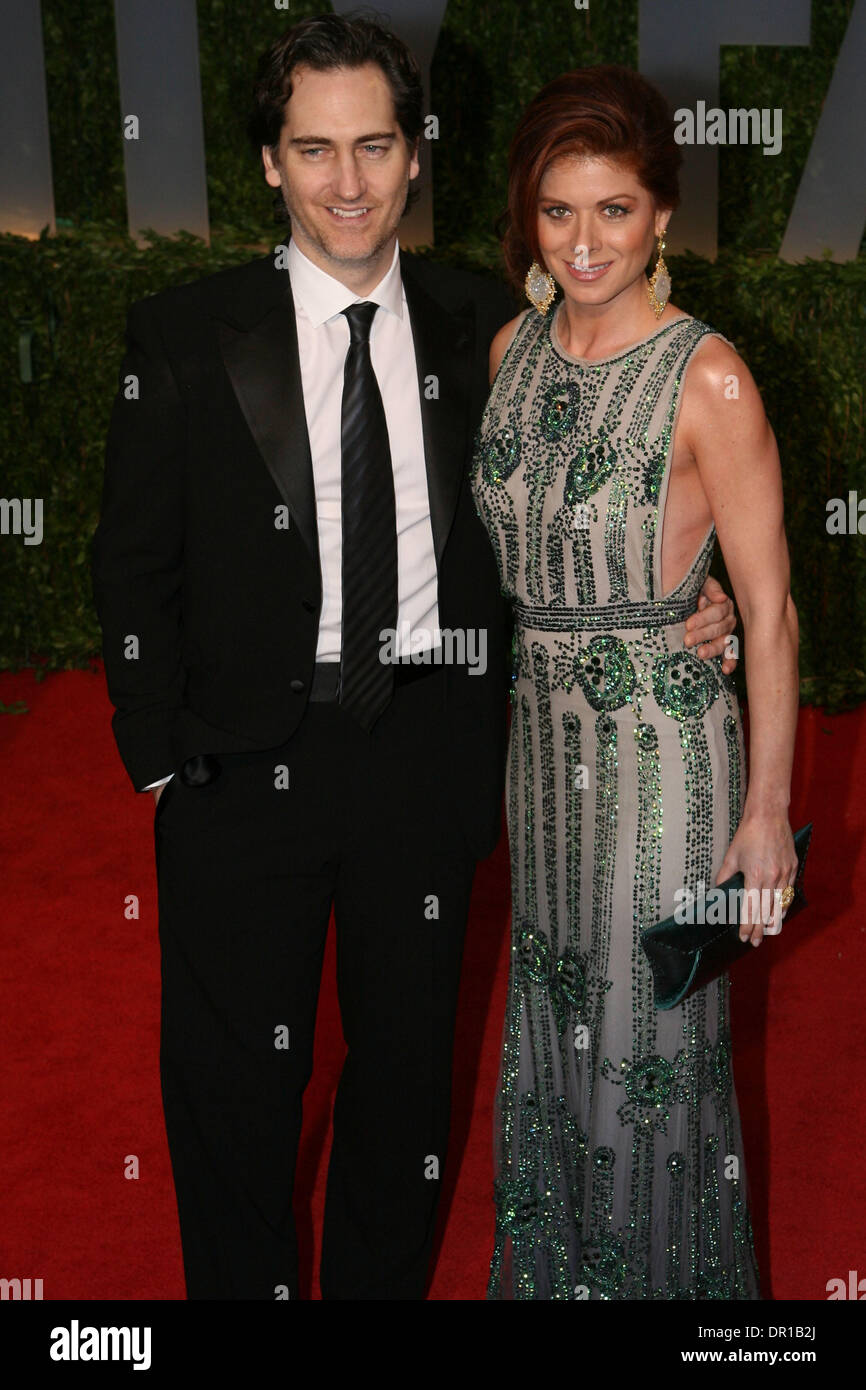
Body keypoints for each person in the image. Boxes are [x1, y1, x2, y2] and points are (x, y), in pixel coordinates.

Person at [91, 18, 736, 1300]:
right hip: (238, 772)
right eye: (313, 147)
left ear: (412, 155)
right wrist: (163, 766)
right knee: (234, 1095)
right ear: (270, 163)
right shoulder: (179, 336)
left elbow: (593, 483)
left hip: (425, 760)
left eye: (374, 145)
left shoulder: (491, 325)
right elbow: (128, 567)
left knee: (403, 1091)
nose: (347, 181)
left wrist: (687, 590)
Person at [473, 65, 799, 1301]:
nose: (584, 241)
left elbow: (763, 609)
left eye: (613, 210)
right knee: (553, 1037)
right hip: (539, 753)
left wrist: (764, 811)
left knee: (646, 1045)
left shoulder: (705, 375)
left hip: (666, 756)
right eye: (558, 212)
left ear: (661, 214)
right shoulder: (510, 346)